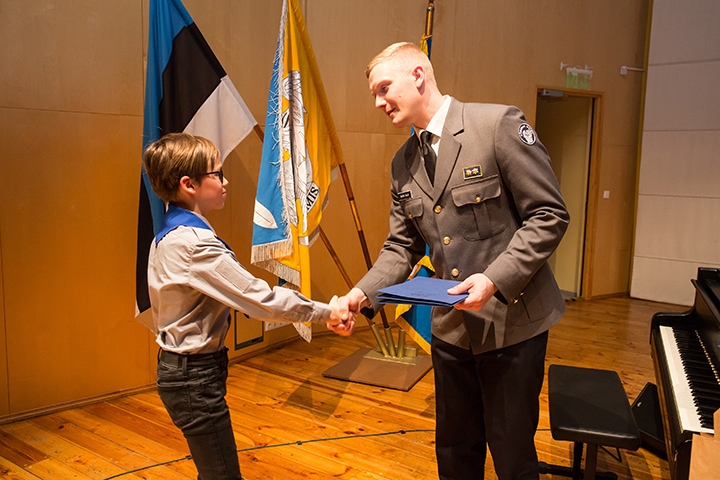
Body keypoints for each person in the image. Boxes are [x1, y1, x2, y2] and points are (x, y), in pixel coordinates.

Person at [339, 42, 569, 479]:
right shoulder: (403, 164)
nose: (378, 102)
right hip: (450, 329)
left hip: (510, 324)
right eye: (374, 94)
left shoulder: (496, 125)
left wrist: (494, 279)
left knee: (512, 457)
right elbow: (401, 247)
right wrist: (360, 294)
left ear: (418, 75)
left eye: (384, 88)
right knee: (455, 453)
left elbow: (548, 215)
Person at [142, 132, 354, 480]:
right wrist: (327, 312)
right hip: (193, 378)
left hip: (189, 371)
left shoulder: (171, 233)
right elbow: (260, 300)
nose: (225, 182)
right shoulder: (194, 245)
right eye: (218, 173)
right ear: (188, 184)